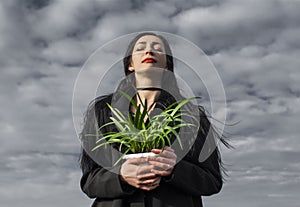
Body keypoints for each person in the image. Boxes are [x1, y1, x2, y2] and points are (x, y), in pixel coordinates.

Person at [79, 32, 226, 207]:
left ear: (167, 64)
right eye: (140, 48)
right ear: (130, 64)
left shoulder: (192, 116)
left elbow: (212, 181)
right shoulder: (103, 112)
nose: (149, 51)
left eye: (158, 49)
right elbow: (89, 181)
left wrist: (175, 169)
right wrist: (121, 176)